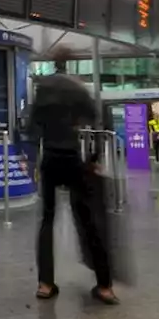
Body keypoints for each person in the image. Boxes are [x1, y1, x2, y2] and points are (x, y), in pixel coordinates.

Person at [28, 47, 118, 305]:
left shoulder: (44, 87)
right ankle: (104, 286)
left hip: (50, 159)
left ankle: (45, 283)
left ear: (52, 62)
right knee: (89, 221)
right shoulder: (76, 87)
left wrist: (32, 155)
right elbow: (98, 122)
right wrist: (94, 159)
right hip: (72, 158)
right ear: (70, 62)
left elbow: (32, 124)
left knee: (47, 219)